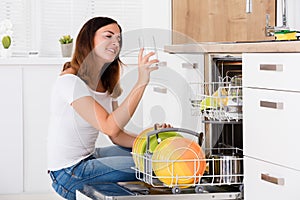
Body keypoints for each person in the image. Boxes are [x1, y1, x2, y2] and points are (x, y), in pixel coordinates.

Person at [47, 16, 163, 199]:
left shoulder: (106, 81)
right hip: (69, 172)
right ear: (89, 39)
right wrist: (142, 81)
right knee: (154, 164)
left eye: (118, 39)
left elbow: (116, 135)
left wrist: (152, 140)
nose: (115, 43)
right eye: (108, 36)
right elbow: (109, 125)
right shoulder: (70, 81)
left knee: (149, 153)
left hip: (89, 157)